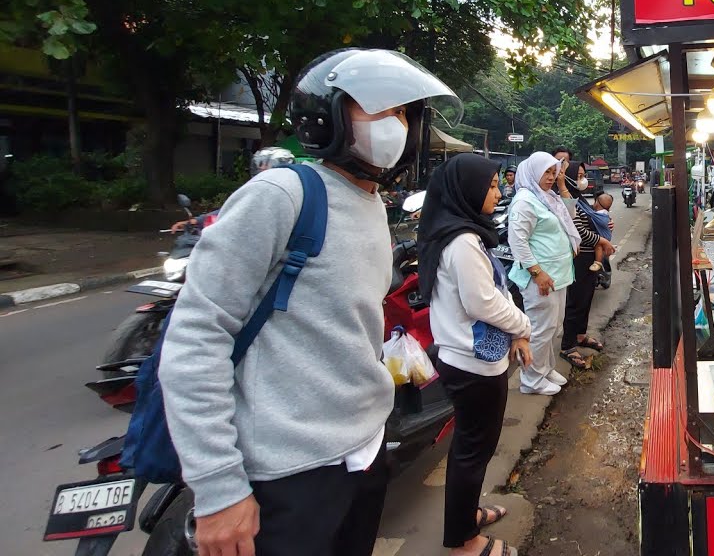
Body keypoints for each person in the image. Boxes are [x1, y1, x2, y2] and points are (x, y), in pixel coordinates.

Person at [159, 48, 458, 555]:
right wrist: (218, 489)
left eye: (403, 113)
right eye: (379, 111)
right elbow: (195, 338)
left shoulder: (369, 206)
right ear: (329, 117)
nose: (396, 126)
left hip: (362, 453)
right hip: (286, 472)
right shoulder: (282, 196)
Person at [418, 154, 532, 556]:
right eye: (492, 186)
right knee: (472, 451)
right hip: (472, 365)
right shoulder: (463, 242)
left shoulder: (457, 232)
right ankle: (464, 541)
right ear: (466, 190)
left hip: (469, 358)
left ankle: (466, 516)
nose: (498, 192)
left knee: (472, 448)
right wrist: (522, 326)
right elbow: (483, 302)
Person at [507, 152, 580, 395]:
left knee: (553, 327)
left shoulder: (547, 197)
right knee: (540, 328)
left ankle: (545, 369)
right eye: (546, 172)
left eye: (553, 172)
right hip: (541, 278)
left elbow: (571, 215)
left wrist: (561, 185)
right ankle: (531, 380)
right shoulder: (525, 200)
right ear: (533, 172)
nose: (550, 177)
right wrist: (537, 273)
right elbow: (518, 242)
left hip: (558, 275)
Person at [560, 162, 615, 369]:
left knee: (587, 298)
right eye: (579, 175)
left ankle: (581, 336)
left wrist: (606, 225)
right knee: (576, 301)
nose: (583, 179)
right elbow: (578, 231)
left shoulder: (580, 199)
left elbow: (594, 219)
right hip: (580, 256)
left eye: (584, 174)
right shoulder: (566, 200)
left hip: (591, 255)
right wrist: (602, 241)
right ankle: (567, 345)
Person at [168, 146, 295, 234]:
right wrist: (195, 222)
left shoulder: (294, 198)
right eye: (259, 169)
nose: (262, 174)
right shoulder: (254, 192)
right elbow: (230, 210)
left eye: (267, 170)